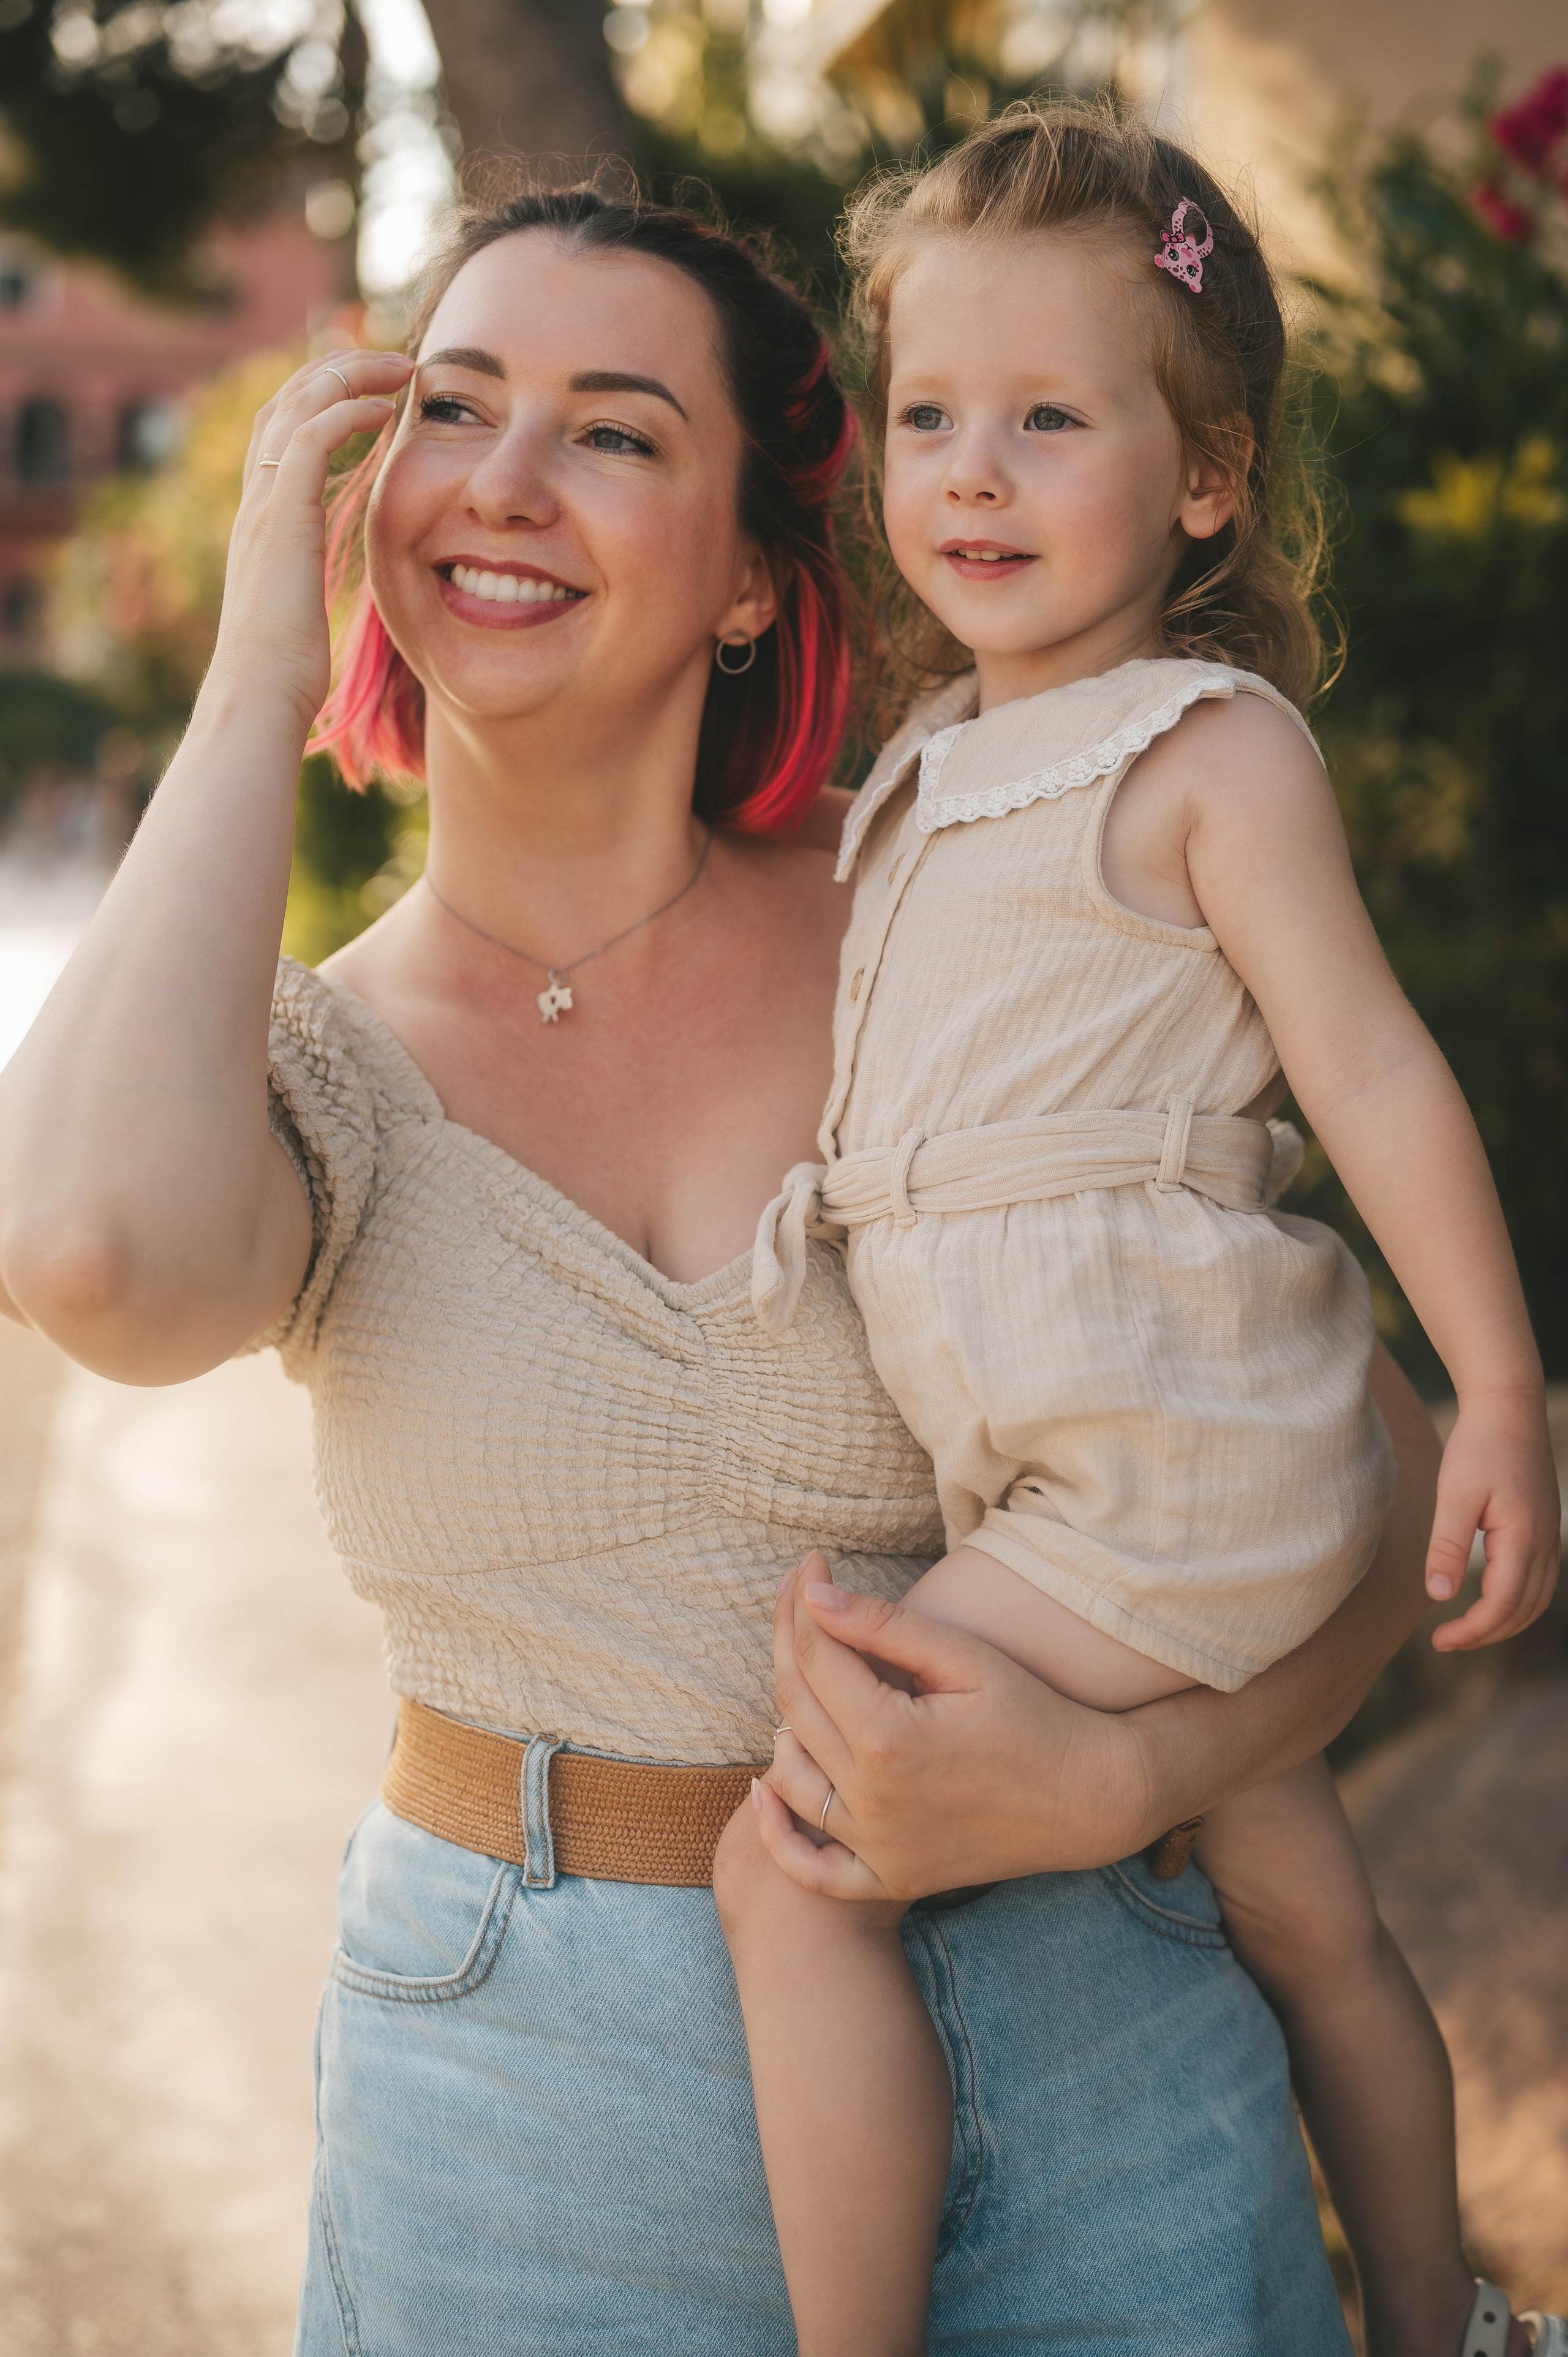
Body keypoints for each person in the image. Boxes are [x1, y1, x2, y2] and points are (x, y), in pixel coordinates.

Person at [0, 181, 1457, 2353]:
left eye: (613, 431)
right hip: (519, 2108)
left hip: (1098, 2053)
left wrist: (1138, 1779)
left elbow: (1376, 1472)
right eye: (458, 406)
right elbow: (89, 1254)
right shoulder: (313, 1070)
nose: (504, 482)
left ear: (764, 581)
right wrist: (253, 679)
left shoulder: (967, 917)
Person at [717, 105, 1563, 2357]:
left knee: (790, 1864)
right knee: (1308, 1915)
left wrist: (1492, 1391)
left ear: (1204, 476)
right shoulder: (913, 766)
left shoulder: (1204, 751)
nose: (971, 474)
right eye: (927, 419)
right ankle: (1437, 2326)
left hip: (1161, 1453)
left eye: (1050, 419)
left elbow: (1372, 1070)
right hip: (1086, 1456)